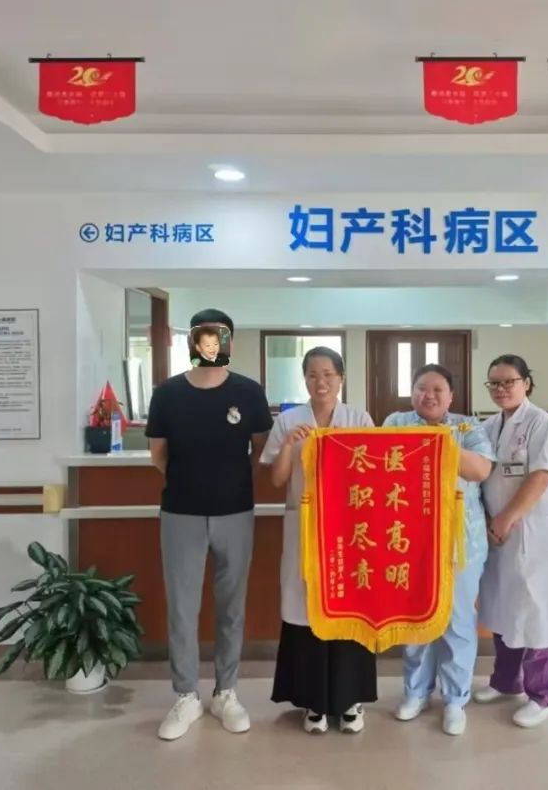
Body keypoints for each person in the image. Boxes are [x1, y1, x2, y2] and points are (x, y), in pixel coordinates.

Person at [146, 309, 273, 741]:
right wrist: (191, 482)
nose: (211, 345)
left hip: (235, 512)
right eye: (203, 337)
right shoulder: (167, 394)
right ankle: (186, 695)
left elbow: (260, 450)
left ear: (229, 342)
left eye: (219, 337)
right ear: (192, 342)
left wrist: (229, 483)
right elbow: (158, 454)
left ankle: (225, 692)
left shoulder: (248, 392)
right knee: (182, 608)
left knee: (231, 607)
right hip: (180, 513)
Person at [260, 347, 378, 735]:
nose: (320, 381)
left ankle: (350, 699)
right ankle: (313, 701)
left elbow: (375, 474)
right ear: (305, 379)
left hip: (350, 530)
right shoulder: (289, 420)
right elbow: (277, 479)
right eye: (312, 374)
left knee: (348, 607)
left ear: (341, 378)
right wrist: (289, 445)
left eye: (328, 374)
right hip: (305, 527)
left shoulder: (358, 418)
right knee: (305, 608)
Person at [385, 365, 495, 736]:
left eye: (437, 389)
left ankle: (455, 699)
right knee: (415, 618)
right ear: (411, 392)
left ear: (451, 396)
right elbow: (381, 465)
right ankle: (416, 692)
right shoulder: (396, 422)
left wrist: (440, 443)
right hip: (409, 540)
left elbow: (480, 470)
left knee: (458, 621)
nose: (428, 395)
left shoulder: (467, 427)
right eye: (421, 388)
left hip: (461, 542)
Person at [474, 354, 548, 729]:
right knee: (503, 606)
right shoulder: (488, 425)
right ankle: (506, 680)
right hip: (498, 536)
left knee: (539, 611)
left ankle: (544, 695)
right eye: (494, 383)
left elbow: (542, 476)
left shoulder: (542, 423)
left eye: (508, 382)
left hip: (533, 534)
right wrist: (490, 522)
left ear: (526, 383)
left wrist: (506, 518)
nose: (501, 389)